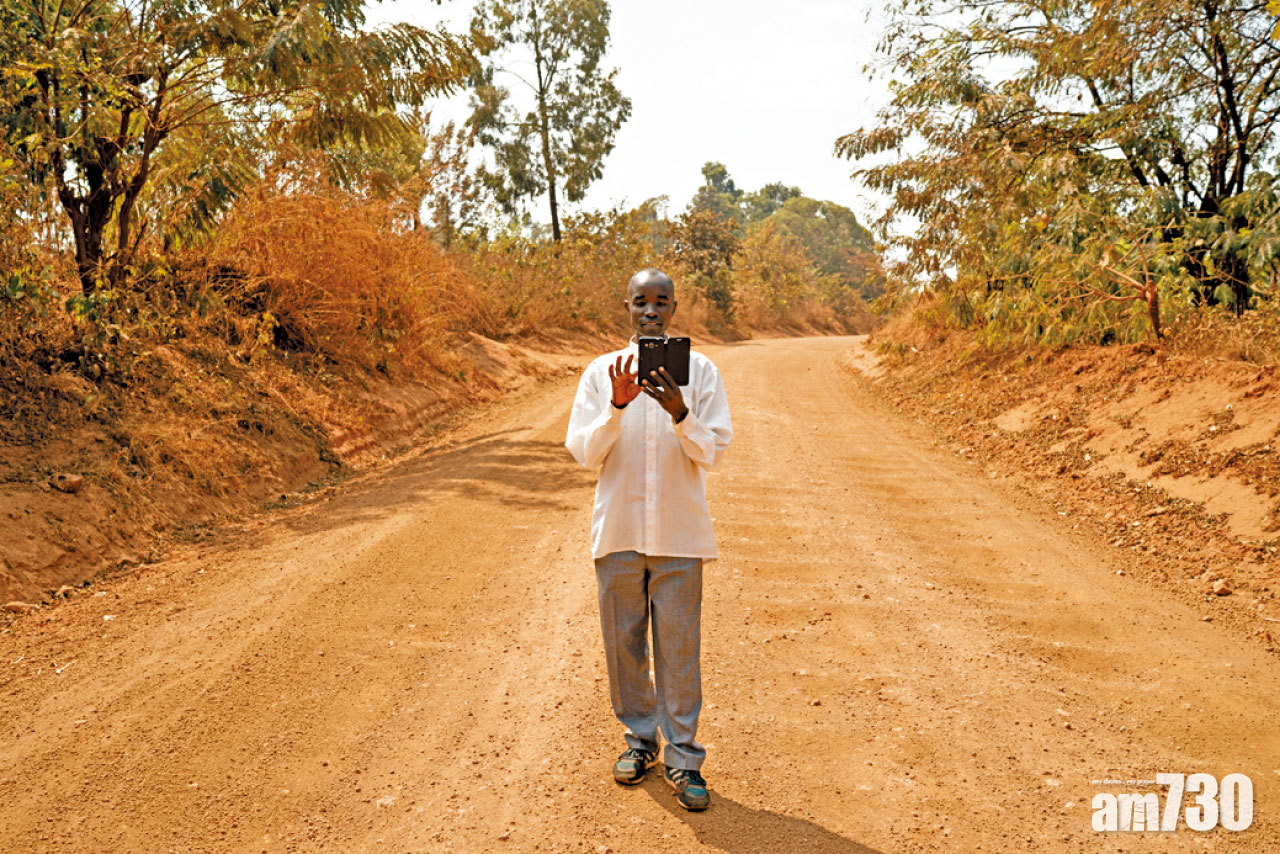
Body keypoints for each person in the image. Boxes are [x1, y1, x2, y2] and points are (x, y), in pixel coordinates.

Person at [564, 268, 733, 811]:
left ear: (675, 309)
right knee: (624, 644)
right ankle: (639, 742)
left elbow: (712, 450)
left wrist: (679, 412)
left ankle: (684, 759)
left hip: (680, 534)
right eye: (642, 302)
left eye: (662, 302)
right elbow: (584, 454)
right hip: (618, 531)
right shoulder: (600, 373)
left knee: (680, 650)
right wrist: (615, 407)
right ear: (627, 308)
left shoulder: (701, 374)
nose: (651, 311)